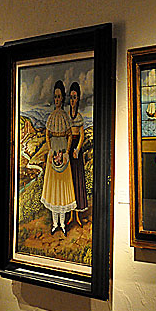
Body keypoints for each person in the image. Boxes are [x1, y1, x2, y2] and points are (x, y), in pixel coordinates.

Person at [41, 81, 76, 234]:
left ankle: (62, 223)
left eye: (59, 97)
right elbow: (47, 135)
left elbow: (69, 135)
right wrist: (50, 151)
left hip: (63, 152)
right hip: (53, 152)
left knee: (62, 188)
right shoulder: (51, 116)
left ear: (63, 98)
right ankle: (55, 223)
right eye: (55, 97)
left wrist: (67, 152)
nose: (57, 99)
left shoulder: (65, 116)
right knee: (53, 188)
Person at [67, 81, 88, 226]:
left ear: (78, 99)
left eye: (75, 97)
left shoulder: (79, 116)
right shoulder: (66, 116)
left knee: (77, 179)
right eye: (71, 97)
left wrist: (77, 149)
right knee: (68, 181)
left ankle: (77, 215)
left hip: (76, 150)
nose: (73, 100)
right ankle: (69, 214)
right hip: (67, 148)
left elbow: (82, 135)